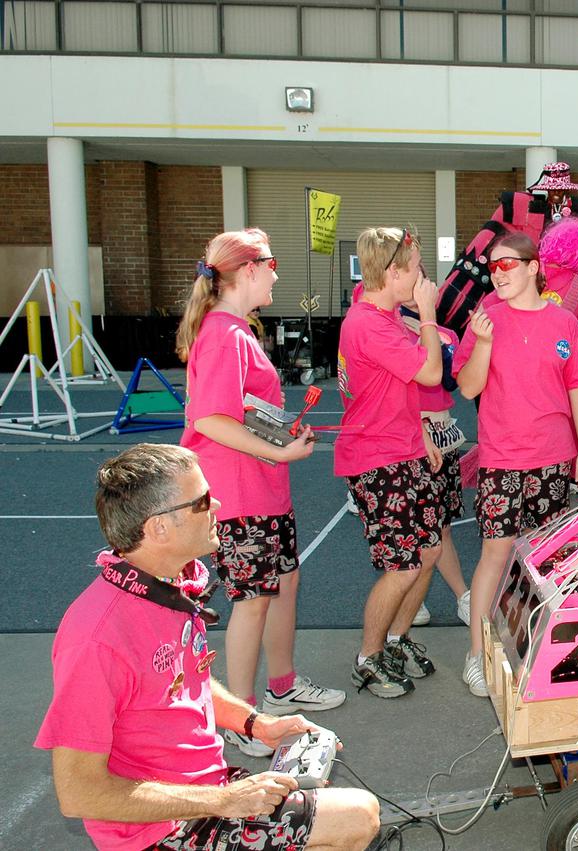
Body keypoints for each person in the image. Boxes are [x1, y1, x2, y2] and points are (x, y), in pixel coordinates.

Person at [35, 444, 379, 851]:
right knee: (357, 816)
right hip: (160, 828)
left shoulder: (164, 586)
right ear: (159, 527)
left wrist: (256, 723)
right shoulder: (97, 638)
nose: (216, 503)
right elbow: (78, 792)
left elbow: (184, 681)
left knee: (346, 810)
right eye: (201, 501)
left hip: (202, 793)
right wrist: (224, 800)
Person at [176, 229, 344, 759]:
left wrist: (280, 440)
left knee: (282, 585)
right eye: (273, 265)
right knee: (252, 602)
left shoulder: (234, 330)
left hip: (262, 490)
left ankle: (281, 683)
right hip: (240, 494)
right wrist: (278, 451)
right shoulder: (225, 334)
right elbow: (209, 418)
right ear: (250, 269)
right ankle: (240, 716)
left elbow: (241, 411)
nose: (277, 274)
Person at [453, 230, 578, 697]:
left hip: (552, 460)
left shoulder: (565, 324)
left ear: (534, 267)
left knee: (545, 557)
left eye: (507, 264)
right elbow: (469, 389)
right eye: (492, 267)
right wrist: (485, 344)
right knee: (495, 555)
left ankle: (540, 645)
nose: (498, 274)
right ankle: (477, 654)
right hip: (502, 460)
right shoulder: (485, 321)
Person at [335, 225, 444, 699]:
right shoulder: (369, 322)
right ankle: (368, 656)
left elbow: (392, 389)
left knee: (430, 552)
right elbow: (431, 371)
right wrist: (427, 314)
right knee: (401, 565)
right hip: (378, 459)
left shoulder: (382, 312)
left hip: (405, 450)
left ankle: (396, 640)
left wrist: (422, 433)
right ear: (394, 272)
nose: (423, 277)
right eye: (416, 269)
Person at [412, 322, 472, 629]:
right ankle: (410, 595)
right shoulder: (386, 325)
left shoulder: (444, 332)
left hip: (444, 431)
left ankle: (462, 597)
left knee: (443, 525)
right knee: (414, 528)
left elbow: (450, 380)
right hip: (410, 435)